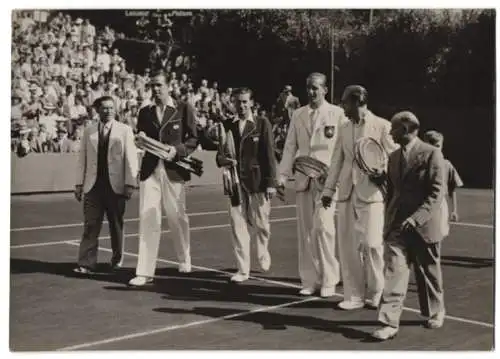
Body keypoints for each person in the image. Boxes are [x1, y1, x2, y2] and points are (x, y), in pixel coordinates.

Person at [321, 85, 399, 310]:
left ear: (356, 102)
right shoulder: (343, 127)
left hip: (372, 195)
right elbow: (337, 160)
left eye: (344, 102)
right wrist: (328, 191)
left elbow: (395, 157)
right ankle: (353, 295)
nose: (342, 107)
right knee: (347, 246)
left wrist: (383, 173)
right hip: (346, 193)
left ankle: (376, 292)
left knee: (372, 243)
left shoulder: (382, 126)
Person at [372, 111, 446, 341]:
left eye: (393, 129)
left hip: (423, 226)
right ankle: (388, 322)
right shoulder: (393, 157)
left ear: (404, 130)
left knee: (429, 272)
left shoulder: (432, 154)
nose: (390, 133)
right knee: (394, 271)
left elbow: (436, 193)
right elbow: (393, 192)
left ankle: (436, 310)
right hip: (397, 227)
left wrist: (416, 218)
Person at [277, 72, 344, 297]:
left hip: (327, 181)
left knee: (323, 228)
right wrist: (282, 176)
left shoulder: (337, 113)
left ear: (325, 89)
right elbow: (289, 147)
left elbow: (343, 149)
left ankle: (329, 279)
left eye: (316, 88)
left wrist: (337, 176)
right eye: (308, 87)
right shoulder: (298, 114)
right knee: (305, 231)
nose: (311, 92)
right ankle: (309, 279)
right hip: (304, 179)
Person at [128, 73, 198, 287]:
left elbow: (193, 139)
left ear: (169, 86)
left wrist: (176, 151)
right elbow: (140, 138)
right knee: (148, 216)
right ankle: (145, 271)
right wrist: (140, 142)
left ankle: (184, 258)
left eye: (159, 85)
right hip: (150, 171)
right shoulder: (145, 112)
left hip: (174, 170)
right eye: (152, 86)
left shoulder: (183, 108)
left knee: (177, 217)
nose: (156, 89)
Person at [215, 87, 277, 282]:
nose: (241, 106)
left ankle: (262, 251)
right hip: (234, 183)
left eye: (244, 102)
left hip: (258, 182)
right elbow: (219, 157)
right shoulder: (226, 125)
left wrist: (270, 183)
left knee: (261, 225)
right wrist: (225, 161)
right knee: (237, 225)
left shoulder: (261, 123)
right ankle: (243, 269)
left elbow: (269, 155)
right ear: (233, 103)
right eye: (237, 102)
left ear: (251, 103)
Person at [73, 96, 138, 274]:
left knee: (116, 225)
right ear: (97, 110)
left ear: (115, 110)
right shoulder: (89, 131)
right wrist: (79, 184)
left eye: (111, 108)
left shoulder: (124, 130)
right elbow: (82, 159)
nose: (108, 111)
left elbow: (131, 158)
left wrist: (130, 183)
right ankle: (86, 263)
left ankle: (117, 261)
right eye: (104, 108)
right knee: (90, 225)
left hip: (115, 186)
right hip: (93, 186)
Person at [423, 130, 463, 237]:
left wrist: (454, 210)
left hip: (439, 204)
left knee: (437, 235)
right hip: (421, 205)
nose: (435, 149)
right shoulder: (417, 163)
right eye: (430, 146)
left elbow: (452, 189)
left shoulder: (447, 165)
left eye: (437, 146)